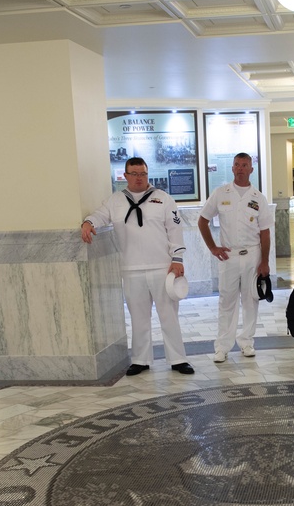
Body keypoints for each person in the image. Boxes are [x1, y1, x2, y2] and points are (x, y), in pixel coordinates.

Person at [81, 157, 194, 376]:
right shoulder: (115, 201)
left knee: (169, 315)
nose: (139, 178)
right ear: (125, 176)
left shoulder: (163, 199)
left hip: (162, 267)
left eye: (143, 173)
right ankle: (141, 360)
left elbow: (175, 230)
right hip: (131, 269)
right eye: (134, 174)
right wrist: (88, 222)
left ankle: (178, 359)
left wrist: (177, 259)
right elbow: (100, 215)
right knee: (138, 317)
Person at [198, 153, 272, 362]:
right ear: (232, 168)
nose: (240, 168)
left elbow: (265, 232)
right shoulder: (221, 193)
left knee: (251, 300)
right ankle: (222, 347)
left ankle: (247, 342)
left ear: (251, 169)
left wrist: (264, 261)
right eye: (237, 165)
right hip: (228, 255)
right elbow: (202, 220)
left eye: (245, 165)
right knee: (227, 300)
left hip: (252, 254)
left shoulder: (258, 198)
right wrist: (213, 247)